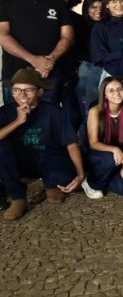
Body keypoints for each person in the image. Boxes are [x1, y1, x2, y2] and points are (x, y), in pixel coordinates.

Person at [0, 69, 85, 220]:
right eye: (17, 90)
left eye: (28, 90)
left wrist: (80, 174)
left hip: (49, 160)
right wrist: (18, 121)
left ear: (40, 92)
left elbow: (71, 143)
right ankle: (18, 197)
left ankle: (52, 185)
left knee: (66, 177)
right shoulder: (5, 112)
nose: (22, 95)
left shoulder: (53, 111)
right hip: (20, 162)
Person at [0, 0, 73, 106]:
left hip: (50, 75)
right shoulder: (5, 1)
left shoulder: (58, 4)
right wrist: (33, 60)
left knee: (49, 121)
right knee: (16, 122)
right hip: (15, 76)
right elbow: (2, 35)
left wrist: (49, 61)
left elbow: (67, 37)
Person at [81, 77, 123, 199]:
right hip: (99, 157)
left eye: (119, 89)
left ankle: (106, 179)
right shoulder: (96, 111)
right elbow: (93, 143)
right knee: (110, 159)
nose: (116, 93)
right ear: (104, 94)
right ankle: (91, 183)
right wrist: (114, 149)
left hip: (118, 159)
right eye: (111, 90)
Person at [43, 0, 84, 128]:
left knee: (73, 114)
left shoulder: (78, 20)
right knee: (49, 112)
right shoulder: (44, 18)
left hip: (71, 74)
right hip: (48, 73)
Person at [76, 0, 104, 120]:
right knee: (86, 102)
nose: (98, 11)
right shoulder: (80, 24)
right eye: (93, 7)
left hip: (104, 66)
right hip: (87, 66)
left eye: (101, 7)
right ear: (86, 8)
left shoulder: (107, 25)